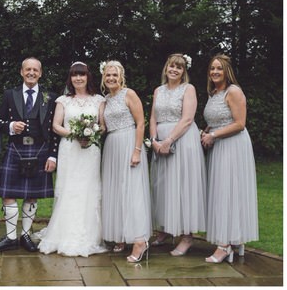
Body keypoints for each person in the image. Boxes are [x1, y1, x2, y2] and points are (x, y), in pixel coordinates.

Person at [36, 62, 107, 257]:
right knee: (70, 188)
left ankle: (90, 236)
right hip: (69, 150)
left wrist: (91, 134)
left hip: (90, 151)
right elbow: (56, 126)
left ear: (87, 77)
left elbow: (102, 126)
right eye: (75, 75)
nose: (78, 78)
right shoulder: (63, 100)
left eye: (81, 75)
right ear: (71, 78)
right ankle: (63, 233)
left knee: (89, 189)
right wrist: (75, 134)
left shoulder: (98, 100)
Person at [0, 58, 58, 253]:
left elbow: (53, 131)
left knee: (32, 196)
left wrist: (53, 156)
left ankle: (26, 235)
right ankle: (11, 237)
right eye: (28, 69)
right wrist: (10, 126)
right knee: (8, 195)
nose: (31, 73)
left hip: (40, 150)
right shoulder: (11, 94)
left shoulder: (50, 96)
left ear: (40, 73)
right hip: (16, 148)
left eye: (35, 70)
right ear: (21, 72)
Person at [200, 54, 258, 263]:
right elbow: (215, 120)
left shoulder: (234, 91)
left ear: (227, 71)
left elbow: (240, 123)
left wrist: (213, 135)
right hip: (218, 146)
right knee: (221, 192)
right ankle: (233, 239)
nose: (215, 72)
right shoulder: (214, 92)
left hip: (233, 146)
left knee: (228, 192)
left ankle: (225, 244)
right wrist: (205, 132)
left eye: (219, 69)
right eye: (212, 69)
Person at [149, 53, 206, 256]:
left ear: (184, 71)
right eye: (171, 66)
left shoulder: (188, 89)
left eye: (179, 67)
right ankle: (165, 228)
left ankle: (187, 236)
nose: (174, 70)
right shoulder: (158, 90)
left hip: (182, 141)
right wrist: (154, 141)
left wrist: (169, 140)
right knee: (162, 186)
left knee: (183, 187)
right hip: (160, 142)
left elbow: (187, 119)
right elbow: (153, 118)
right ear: (166, 68)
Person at [99, 60, 151, 262]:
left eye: (115, 75)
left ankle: (140, 240)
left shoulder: (129, 94)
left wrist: (137, 151)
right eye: (108, 75)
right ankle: (121, 235)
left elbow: (140, 123)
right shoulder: (105, 100)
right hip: (112, 146)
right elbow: (103, 128)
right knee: (116, 190)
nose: (111, 78)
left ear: (121, 77)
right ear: (104, 78)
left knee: (132, 191)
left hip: (129, 143)